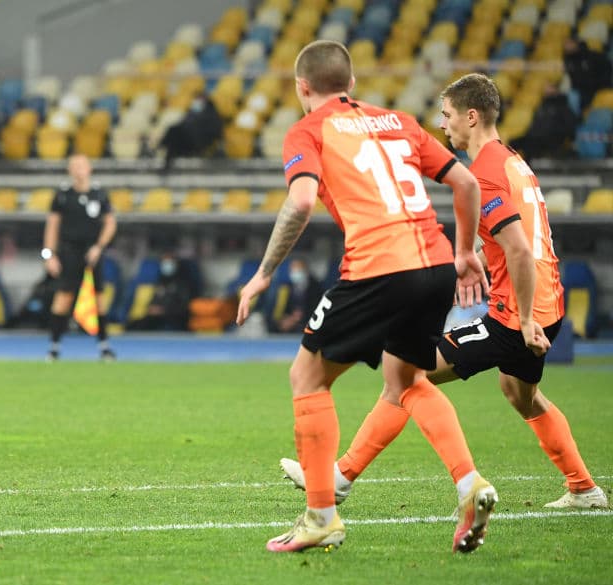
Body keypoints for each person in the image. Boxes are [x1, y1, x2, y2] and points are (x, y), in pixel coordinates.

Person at [281, 73, 608, 510]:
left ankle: (340, 477)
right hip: (545, 302)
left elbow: (518, 249)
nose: (442, 124)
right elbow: (515, 241)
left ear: (471, 117)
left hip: (518, 315)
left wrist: (526, 319)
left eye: (447, 114)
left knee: (407, 376)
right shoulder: (512, 161)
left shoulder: (486, 172)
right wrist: (468, 264)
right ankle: (584, 489)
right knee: (521, 396)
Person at [235, 40, 495, 553]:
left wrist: (264, 273)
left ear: (302, 87)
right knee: (407, 380)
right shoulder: (400, 121)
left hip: (379, 267)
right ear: (351, 84)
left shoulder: (309, 130)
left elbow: (300, 202)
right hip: (436, 265)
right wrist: (465, 252)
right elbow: (466, 183)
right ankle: (470, 484)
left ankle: (321, 516)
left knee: (307, 377)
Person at [42, 154, 117, 361]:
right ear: (69, 170)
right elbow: (52, 226)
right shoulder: (62, 196)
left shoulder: (100, 194)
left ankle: (104, 346)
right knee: (63, 297)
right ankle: (54, 347)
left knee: (99, 298)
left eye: (82, 165)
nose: (78, 170)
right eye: (74, 166)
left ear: (89, 168)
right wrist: (49, 255)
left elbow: (110, 223)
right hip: (69, 251)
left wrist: (99, 247)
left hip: (92, 251)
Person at [156, 91, 223, 172]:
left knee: (174, 131)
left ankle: (160, 147)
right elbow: (184, 123)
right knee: (174, 132)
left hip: (198, 141)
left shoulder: (211, 113)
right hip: (188, 139)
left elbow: (215, 132)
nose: (196, 102)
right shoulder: (192, 112)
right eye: (196, 99)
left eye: (199, 100)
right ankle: (164, 156)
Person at [510, 83, 578, 161]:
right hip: (536, 137)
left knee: (530, 146)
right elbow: (535, 124)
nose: (546, 89)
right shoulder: (542, 106)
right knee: (514, 143)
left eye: (550, 86)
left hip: (552, 138)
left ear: (556, 89)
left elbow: (570, 126)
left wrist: (558, 133)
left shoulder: (562, 106)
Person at [127, 252, 194, 331]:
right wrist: (151, 308)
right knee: (135, 325)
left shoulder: (182, 284)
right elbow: (152, 301)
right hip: (155, 321)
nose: (167, 265)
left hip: (174, 322)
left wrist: (164, 311)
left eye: (170, 262)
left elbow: (184, 308)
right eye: (165, 262)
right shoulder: (159, 282)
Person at [268, 258, 324, 333]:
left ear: (305, 270)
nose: (295, 271)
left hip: (310, 323)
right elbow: (280, 309)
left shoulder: (316, 287)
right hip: (289, 325)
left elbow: (318, 309)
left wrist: (296, 319)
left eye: (298, 268)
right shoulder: (287, 288)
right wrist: (284, 320)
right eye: (292, 269)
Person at [562, 38, 612, 112]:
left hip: (597, 89)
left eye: (569, 43)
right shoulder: (567, 60)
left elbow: (607, 69)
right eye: (565, 44)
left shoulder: (593, 56)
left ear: (576, 43)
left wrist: (598, 84)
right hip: (580, 92)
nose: (566, 46)